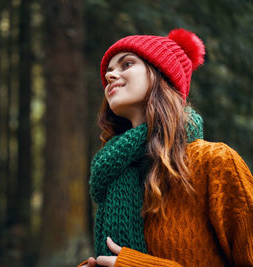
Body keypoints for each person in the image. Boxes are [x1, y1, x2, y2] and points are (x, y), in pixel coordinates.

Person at [78, 28, 253, 267]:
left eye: (126, 64)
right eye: (108, 71)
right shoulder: (117, 174)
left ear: (162, 74)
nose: (110, 76)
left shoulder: (215, 162)